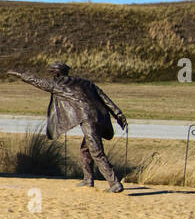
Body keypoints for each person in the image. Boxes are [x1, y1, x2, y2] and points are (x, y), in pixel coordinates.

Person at [7, 61, 127, 192]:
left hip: (88, 119)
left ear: (56, 73)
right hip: (102, 118)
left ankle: (114, 183)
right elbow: (105, 99)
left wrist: (20, 74)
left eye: (52, 73)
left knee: (96, 152)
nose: (51, 76)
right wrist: (118, 114)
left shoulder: (58, 84)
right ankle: (88, 179)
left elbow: (36, 81)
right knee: (85, 149)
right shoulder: (87, 83)